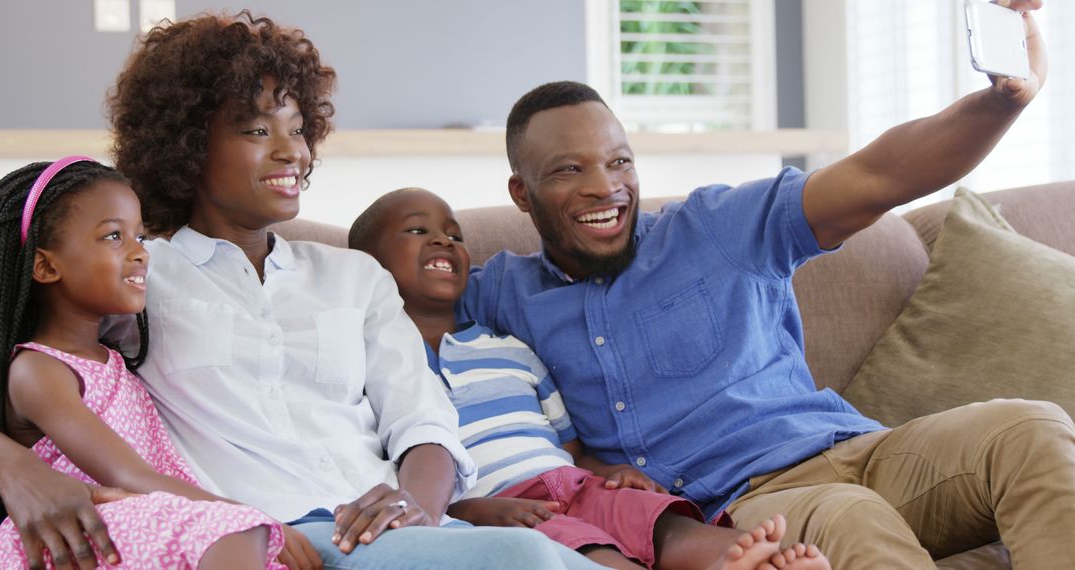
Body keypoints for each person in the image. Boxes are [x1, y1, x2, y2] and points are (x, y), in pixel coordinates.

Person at [460, 2, 1075, 568]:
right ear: (522, 193)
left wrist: (1004, 101)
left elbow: (880, 174)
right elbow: (378, 295)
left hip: (861, 449)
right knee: (851, 518)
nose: (605, 187)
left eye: (619, 161)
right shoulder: (500, 295)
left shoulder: (714, 227)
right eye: (570, 170)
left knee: (1030, 427)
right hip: (749, 502)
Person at [0, 11, 598, 570]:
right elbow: (28, 350)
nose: (293, 151)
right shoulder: (136, 274)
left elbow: (423, 421)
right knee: (529, 559)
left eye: (299, 127)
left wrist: (415, 505)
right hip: (268, 542)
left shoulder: (355, 276)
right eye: (258, 129)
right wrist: (15, 468)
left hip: (400, 532)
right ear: (187, 145)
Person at [350, 186, 831, 570]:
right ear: (364, 267)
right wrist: (465, 511)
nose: (444, 241)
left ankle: (738, 557)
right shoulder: (370, 365)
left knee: (656, 522)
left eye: (453, 234)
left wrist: (613, 474)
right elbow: (384, 472)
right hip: (502, 505)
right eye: (418, 230)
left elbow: (572, 448)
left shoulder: (509, 350)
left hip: (573, 481)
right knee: (586, 550)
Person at [0, 158, 285, 569]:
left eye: (141, 237)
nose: (139, 254)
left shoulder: (114, 357)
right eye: (114, 236)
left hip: (141, 517)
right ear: (45, 266)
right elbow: (127, 476)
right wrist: (251, 514)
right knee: (241, 530)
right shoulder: (39, 370)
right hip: (86, 527)